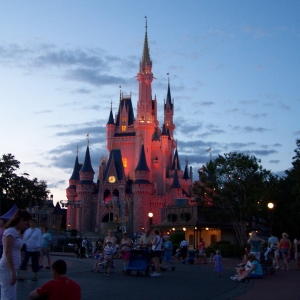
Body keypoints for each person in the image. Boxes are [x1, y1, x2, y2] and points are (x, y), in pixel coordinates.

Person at [0, 209, 32, 300]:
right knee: (7, 296)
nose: (26, 226)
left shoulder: (14, 231)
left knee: (10, 296)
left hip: (10, 268)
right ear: (21, 220)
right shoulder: (11, 231)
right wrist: (13, 272)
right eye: (26, 223)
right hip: (7, 269)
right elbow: (7, 252)